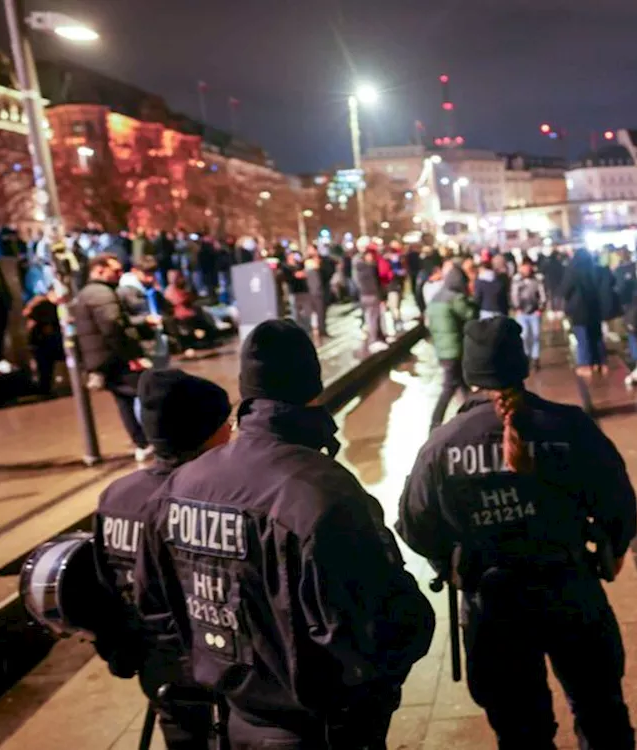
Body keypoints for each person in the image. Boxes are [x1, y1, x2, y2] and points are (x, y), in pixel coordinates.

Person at [134, 320, 434, 748]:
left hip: (235, 718)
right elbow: (380, 627)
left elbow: (156, 606)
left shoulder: (177, 489)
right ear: (313, 388)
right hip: (322, 731)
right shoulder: (321, 492)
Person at [396, 317, 637, 749]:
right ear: (521, 366)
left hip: (494, 607)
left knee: (521, 732)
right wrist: (611, 547)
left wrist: (450, 564)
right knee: (601, 714)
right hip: (571, 591)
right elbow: (617, 497)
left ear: (471, 375)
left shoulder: (441, 446)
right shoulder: (570, 427)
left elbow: (416, 524)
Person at [92, 370, 232, 749]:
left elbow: (104, 588)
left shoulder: (115, 497)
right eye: (226, 422)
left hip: (159, 670)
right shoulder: (216, 500)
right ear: (209, 432)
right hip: (224, 669)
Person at [74, 254, 154, 462]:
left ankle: (142, 443)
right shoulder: (102, 293)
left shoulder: (85, 294)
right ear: (99, 270)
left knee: (124, 401)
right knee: (148, 392)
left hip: (101, 359)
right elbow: (113, 326)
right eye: (115, 270)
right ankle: (156, 441)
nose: (120, 274)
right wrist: (133, 356)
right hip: (116, 357)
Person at [427, 266, 477, 430]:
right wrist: (471, 298)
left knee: (463, 384)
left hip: (442, 350)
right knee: (449, 387)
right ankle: (435, 423)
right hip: (455, 349)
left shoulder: (436, 298)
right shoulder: (455, 298)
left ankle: (470, 416)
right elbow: (470, 315)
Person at [560, 248, 606, 377]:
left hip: (579, 309)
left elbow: (565, 290)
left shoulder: (572, 270)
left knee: (582, 337)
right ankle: (599, 363)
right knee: (596, 336)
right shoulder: (595, 269)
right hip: (595, 308)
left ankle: (586, 365)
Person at [511, 258, 545, 370]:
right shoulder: (517, 280)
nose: (526, 269)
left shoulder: (537, 279)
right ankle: (526, 356)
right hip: (521, 312)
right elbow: (514, 294)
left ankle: (536, 358)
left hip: (534, 311)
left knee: (536, 335)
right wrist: (517, 307)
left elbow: (542, 293)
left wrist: (540, 308)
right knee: (524, 335)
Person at [354, 245, 386, 352]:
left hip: (363, 295)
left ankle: (373, 339)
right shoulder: (371, 268)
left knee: (369, 318)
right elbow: (376, 283)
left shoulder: (358, 268)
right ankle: (373, 340)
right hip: (372, 295)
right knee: (373, 318)